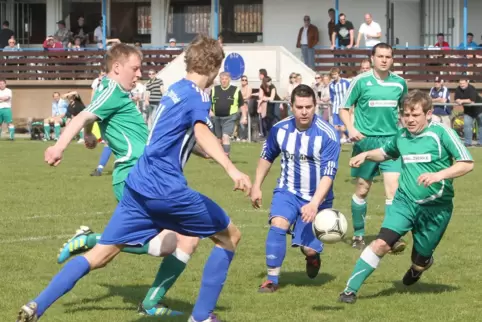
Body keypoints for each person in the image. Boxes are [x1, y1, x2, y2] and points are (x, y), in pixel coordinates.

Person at [17, 35, 252, 322]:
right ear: (215, 67)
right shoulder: (198, 95)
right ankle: (201, 317)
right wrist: (232, 168)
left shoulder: (175, 90)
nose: (139, 73)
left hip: (137, 188)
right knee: (230, 236)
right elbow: (201, 131)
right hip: (165, 189)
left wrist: (206, 156)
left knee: (101, 256)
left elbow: (181, 136)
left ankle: (36, 305)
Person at [339, 90, 474, 304]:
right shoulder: (401, 136)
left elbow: (467, 163)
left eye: (415, 115)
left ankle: (420, 265)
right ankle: (349, 291)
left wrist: (438, 175)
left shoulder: (441, 133)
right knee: (381, 244)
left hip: (436, 209)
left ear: (428, 114)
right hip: (404, 202)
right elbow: (384, 153)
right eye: (405, 115)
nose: (409, 120)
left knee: (419, 260)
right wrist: (365, 154)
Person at [253, 84, 340, 293]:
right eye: (299, 107)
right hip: (288, 191)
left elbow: (329, 174)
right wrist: (256, 186)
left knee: (308, 249)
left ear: (315, 106)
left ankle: (313, 257)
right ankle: (272, 280)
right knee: (278, 224)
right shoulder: (279, 129)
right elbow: (266, 157)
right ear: (291, 106)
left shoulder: (328, 134)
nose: (304, 111)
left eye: (308, 107)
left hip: (317, 197)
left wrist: (314, 203)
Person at [339, 42, 408, 251]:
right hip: (365, 141)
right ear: (372, 58)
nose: (384, 60)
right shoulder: (360, 81)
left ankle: (389, 237)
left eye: (388, 56)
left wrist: (408, 136)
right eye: (380, 56)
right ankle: (359, 235)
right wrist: (350, 128)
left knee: (393, 190)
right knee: (362, 189)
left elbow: (406, 111)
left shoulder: (400, 83)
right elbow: (343, 109)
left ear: (392, 59)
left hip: (391, 142)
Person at [329, 67, 350, 143]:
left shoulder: (346, 83)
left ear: (338, 74)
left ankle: (351, 136)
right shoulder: (331, 85)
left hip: (343, 108)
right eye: (332, 75)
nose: (334, 76)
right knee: (335, 127)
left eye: (335, 74)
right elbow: (331, 96)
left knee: (342, 127)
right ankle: (337, 142)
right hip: (335, 108)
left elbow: (350, 94)